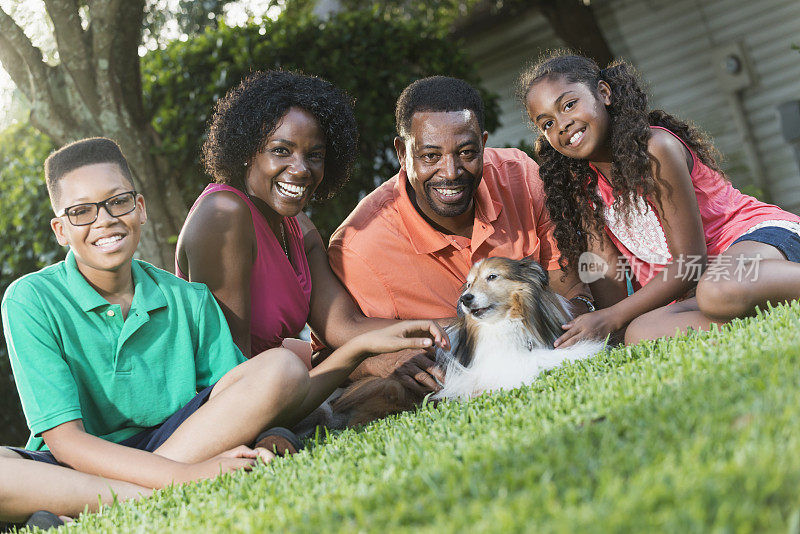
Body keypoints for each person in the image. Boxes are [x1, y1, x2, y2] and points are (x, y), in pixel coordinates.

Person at [0, 137, 448, 524]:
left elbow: (256, 401)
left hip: (178, 439)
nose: (104, 221)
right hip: (72, 461)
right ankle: (138, 498)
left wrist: (354, 351)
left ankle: (81, 505)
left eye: (117, 202)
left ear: (140, 208)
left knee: (281, 371)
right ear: (60, 229)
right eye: (81, 212)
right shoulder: (30, 300)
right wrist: (185, 477)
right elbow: (67, 442)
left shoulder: (188, 300)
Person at [327, 76, 593, 394]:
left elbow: (572, 295)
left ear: (482, 142)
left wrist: (569, 317)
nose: (451, 172)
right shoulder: (359, 247)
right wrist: (374, 362)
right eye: (430, 156)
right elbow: (327, 354)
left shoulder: (520, 176)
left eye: (466, 152)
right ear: (402, 152)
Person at [519, 51, 800, 345]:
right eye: (547, 123)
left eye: (569, 104)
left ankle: (759, 294)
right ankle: (762, 311)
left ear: (604, 93)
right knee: (641, 332)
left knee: (718, 289)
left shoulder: (655, 148)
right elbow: (609, 281)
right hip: (703, 285)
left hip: (756, 245)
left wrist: (613, 316)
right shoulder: (584, 188)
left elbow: (691, 262)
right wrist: (606, 325)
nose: (561, 124)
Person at [176, 70, 407, 368]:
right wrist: (355, 368)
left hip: (277, 383)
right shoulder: (223, 215)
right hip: (234, 398)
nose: (300, 169)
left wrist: (450, 327)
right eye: (281, 151)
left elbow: (345, 327)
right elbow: (232, 372)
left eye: (315, 155)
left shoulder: (298, 227)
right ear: (247, 151)